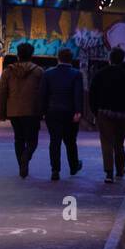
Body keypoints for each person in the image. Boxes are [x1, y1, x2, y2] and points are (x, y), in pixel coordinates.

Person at [89, 46, 125, 184]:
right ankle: (120, 169)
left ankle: (109, 173)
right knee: (119, 143)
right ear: (122, 59)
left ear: (109, 59)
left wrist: (94, 111)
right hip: (122, 114)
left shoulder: (100, 74)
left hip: (104, 113)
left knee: (106, 143)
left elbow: (92, 94)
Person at [0, 42, 45, 178]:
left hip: (14, 112)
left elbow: (2, 93)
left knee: (19, 139)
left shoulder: (8, 72)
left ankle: (21, 165)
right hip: (32, 111)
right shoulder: (39, 72)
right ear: (32, 55)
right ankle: (26, 156)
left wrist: (0, 112)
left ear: (18, 55)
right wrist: (43, 111)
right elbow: (43, 93)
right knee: (32, 140)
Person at [40, 47, 84, 181]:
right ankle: (73, 166)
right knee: (71, 141)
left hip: (52, 112)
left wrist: (42, 112)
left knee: (55, 141)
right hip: (70, 113)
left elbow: (43, 94)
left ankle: (55, 170)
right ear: (71, 59)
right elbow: (78, 94)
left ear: (57, 58)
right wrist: (78, 111)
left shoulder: (48, 74)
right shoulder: (76, 74)